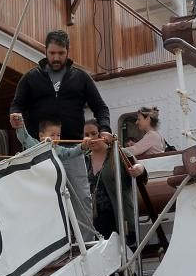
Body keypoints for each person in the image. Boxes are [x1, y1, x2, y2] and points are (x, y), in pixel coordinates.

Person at [9, 29, 111, 240]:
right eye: (52, 53)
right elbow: (17, 104)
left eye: (61, 53)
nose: (56, 58)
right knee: (43, 199)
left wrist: (105, 129)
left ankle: (88, 243)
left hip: (73, 150)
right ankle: (50, 247)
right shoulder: (30, 78)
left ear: (68, 52)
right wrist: (15, 116)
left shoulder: (81, 78)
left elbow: (100, 107)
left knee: (81, 198)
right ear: (45, 51)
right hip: (40, 152)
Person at [83, 119, 146, 242]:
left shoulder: (119, 154)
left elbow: (142, 173)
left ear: (103, 135)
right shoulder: (84, 160)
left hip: (119, 218)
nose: (90, 138)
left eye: (93, 133)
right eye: (86, 135)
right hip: (95, 221)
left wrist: (140, 168)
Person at [16, 118, 85, 164]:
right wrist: (20, 124)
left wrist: (83, 146)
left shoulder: (59, 149)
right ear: (41, 136)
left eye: (58, 135)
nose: (56, 138)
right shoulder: (35, 145)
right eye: (52, 135)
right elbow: (24, 137)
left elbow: (71, 153)